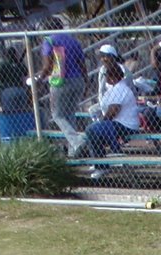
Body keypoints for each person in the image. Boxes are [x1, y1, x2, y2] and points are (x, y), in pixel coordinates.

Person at [38, 26, 87, 155]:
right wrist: (86, 81)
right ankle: (73, 151)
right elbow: (82, 63)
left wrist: (38, 79)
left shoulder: (49, 41)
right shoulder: (73, 40)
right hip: (77, 80)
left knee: (57, 115)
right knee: (70, 113)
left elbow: (48, 65)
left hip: (60, 82)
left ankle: (76, 141)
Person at [84, 55, 141, 161]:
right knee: (94, 130)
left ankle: (114, 153)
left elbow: (113, 110)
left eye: (107, 76)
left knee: (93, 129)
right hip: (117, 124)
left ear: (112, 77)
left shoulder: (121, 88)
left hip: (127, 125)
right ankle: (101, 162)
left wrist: (102, 122)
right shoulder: (115, 88)